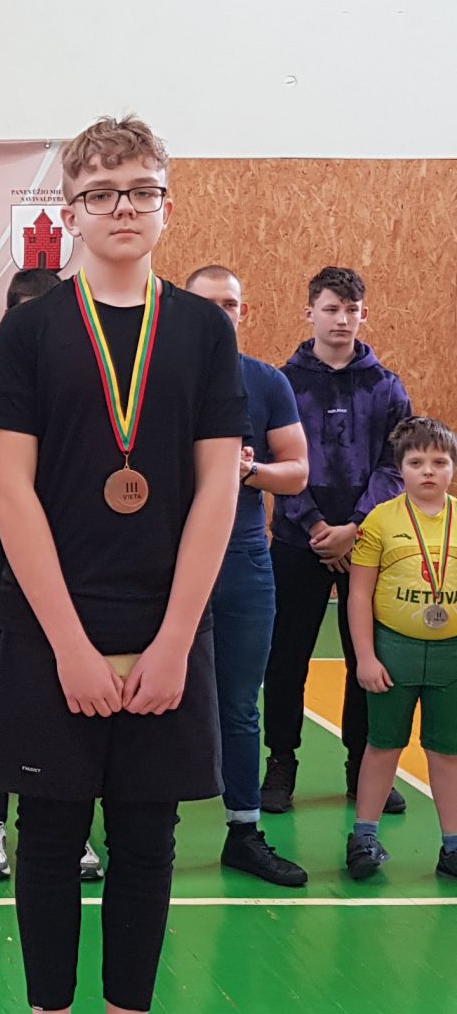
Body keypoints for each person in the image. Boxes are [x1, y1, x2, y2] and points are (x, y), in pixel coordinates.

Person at [0, 115, 247, 1014]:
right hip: (54, 629)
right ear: (72, 211)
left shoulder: (204, 332)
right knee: (48, 838)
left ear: (166, 204)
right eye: (102, 193)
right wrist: (70, 646)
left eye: (141, 189)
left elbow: (219, 486)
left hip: (163, 625)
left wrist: (177, 638)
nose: (123, 207)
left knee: (146, 840)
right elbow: (10, 488)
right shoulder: (34, 331)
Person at [0, 267, 104, 889]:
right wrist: (26, 517)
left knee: (70, 693)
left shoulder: (92, 391)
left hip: (77, 567)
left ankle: (71, 823)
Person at [261, 267, 410, 817]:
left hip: (366, 547)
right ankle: (281, 764)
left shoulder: (386, 386)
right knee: (286, 660)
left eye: (351, 310)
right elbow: (272, 461)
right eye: (330, 309)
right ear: (310, 314)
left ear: (363, 314)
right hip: (297, 541)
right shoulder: (283, 384)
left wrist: (356, 527)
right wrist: (315, 526)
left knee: (364, 659)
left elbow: (396, 464)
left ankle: (360, 769)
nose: (341, 319)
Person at [184, 267, 310, 887]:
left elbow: (297, 472)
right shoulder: (154, 378)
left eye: (229, 303)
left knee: (238, 703)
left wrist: (247, 470)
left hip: (241, 559)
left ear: (243, 312)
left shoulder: (266, 382)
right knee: (148, 697)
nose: (220, 313)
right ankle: (139, 830)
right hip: (164, 560)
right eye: (207, 303)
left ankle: (244, 831)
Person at [346, 417, 457, 882]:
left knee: (447, 752)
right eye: (416, 462)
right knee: (383, 745)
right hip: (393, 652)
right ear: (401, 468)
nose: (428, 471)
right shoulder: (380, 520)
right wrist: (366, 657)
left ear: (452, 468)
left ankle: (453, 846)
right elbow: (358, 595)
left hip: (451, 656)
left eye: (439, 462)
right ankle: (364, 837)